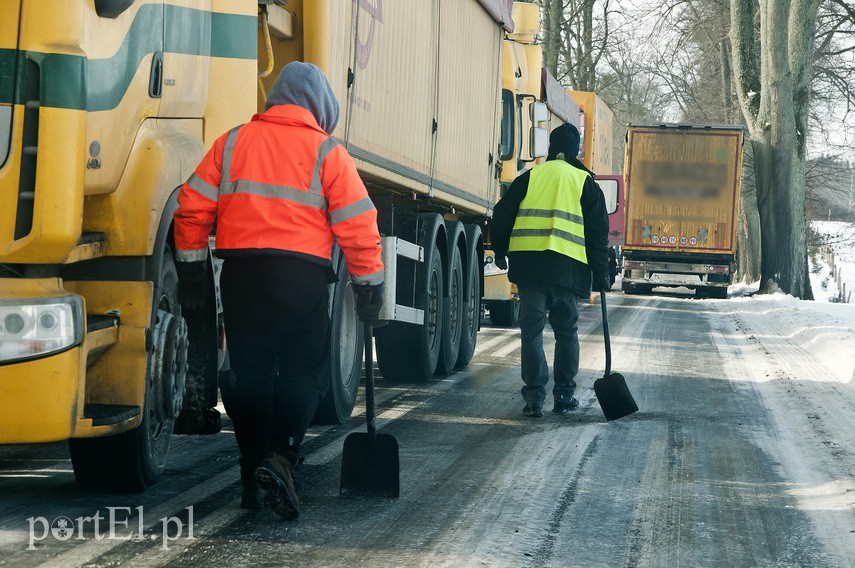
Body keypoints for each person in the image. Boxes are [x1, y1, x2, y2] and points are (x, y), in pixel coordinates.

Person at [173, 62, 384, 520]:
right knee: (303, 371)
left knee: (248, 373)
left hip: (242, 275)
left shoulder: (231, 143)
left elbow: (190, 208)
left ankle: (252, 473)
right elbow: (358, 225)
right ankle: (282, 457)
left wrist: (192, 271)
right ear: (320, 109)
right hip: (301, 279)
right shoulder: (327, 152)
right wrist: (370, 286)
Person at [490, 123, 609, 418]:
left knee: (531, 332)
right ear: (575, 150)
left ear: (550, 148)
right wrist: (602, 273)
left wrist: (502, 250)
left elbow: (502, 213)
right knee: (566, 332)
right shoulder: (585, 182)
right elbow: (597, 235)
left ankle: (534, 399)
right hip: (567, 271)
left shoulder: (530, 177)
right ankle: (564, 395)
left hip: (530, 269)